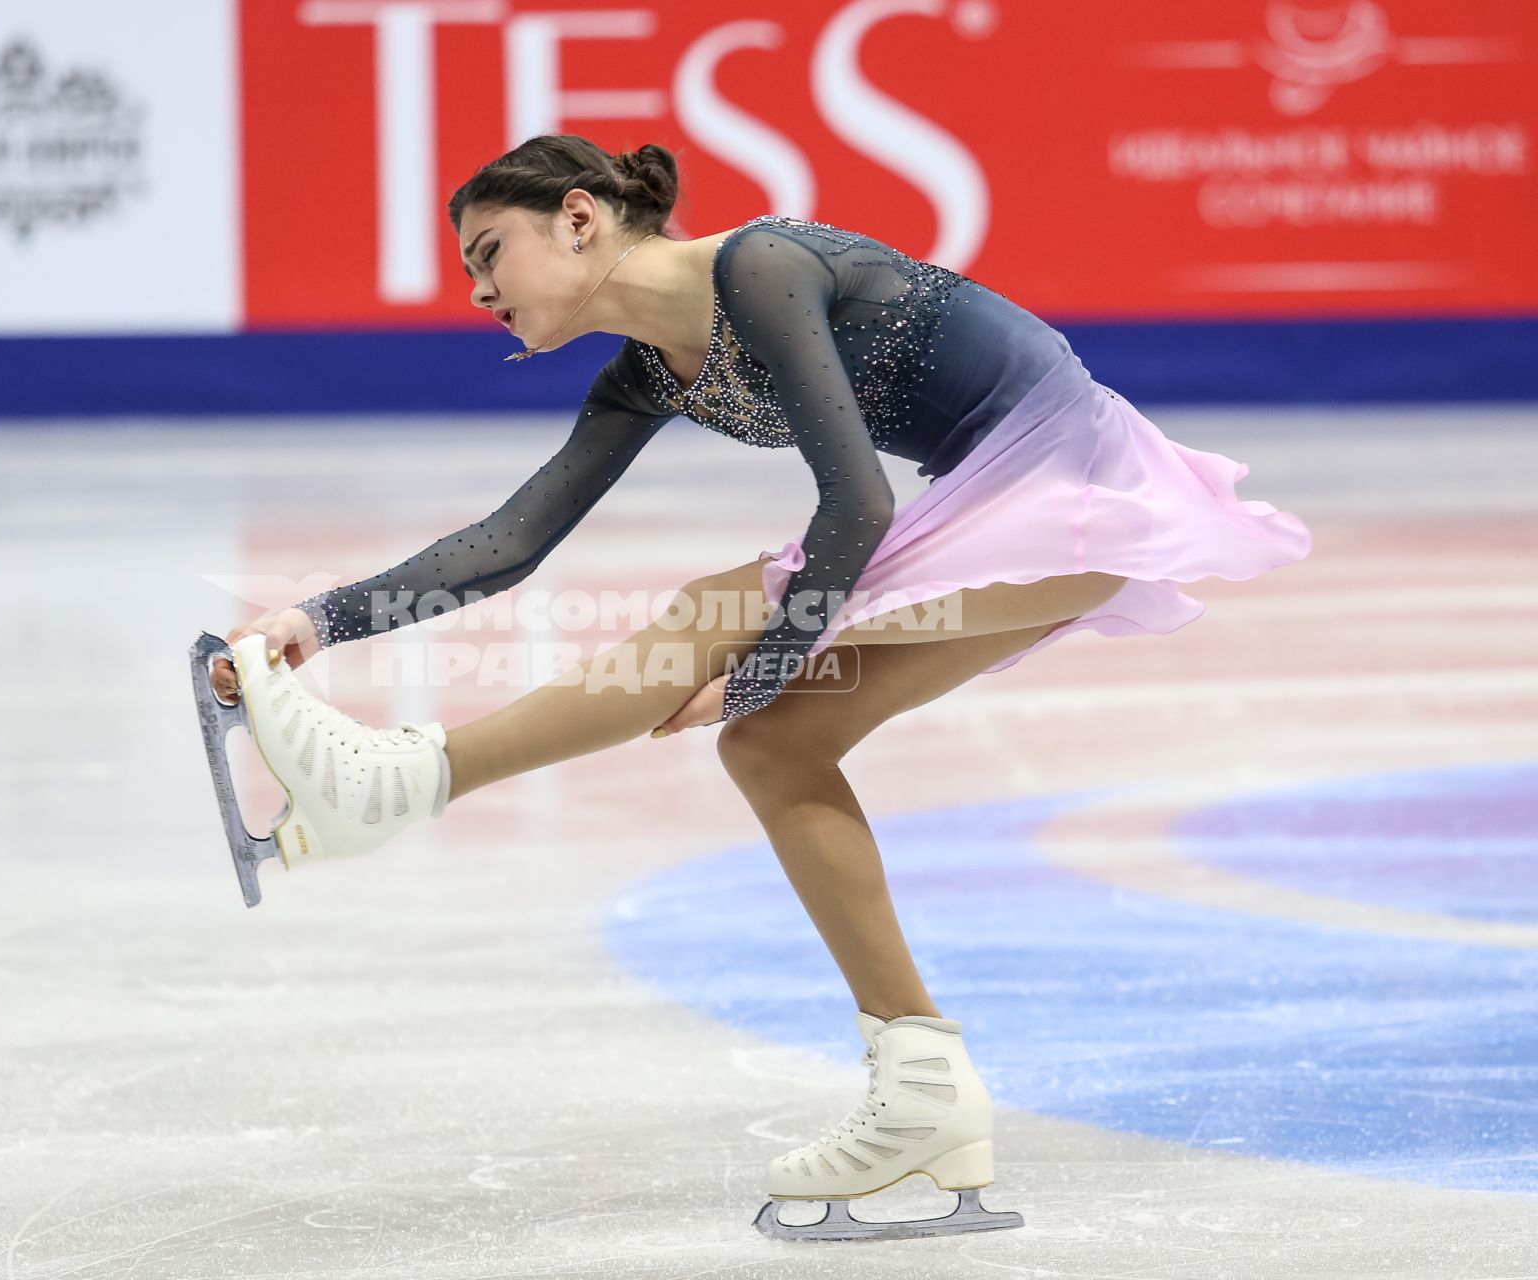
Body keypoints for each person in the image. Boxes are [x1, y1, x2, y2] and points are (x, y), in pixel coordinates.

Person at [205, 134, 1312, 1241]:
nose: (481, 288)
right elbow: (512, 540)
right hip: (1026, 505)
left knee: (727, 610)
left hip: (1075, 481)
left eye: (492, 251)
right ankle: (924, 1084)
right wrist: (316, 619)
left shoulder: (761, 268)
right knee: (775, 748)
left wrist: (760, 666)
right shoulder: (643, 373)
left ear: (580, 218)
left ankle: (403, 779)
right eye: (466, 271)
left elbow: (858, 505)